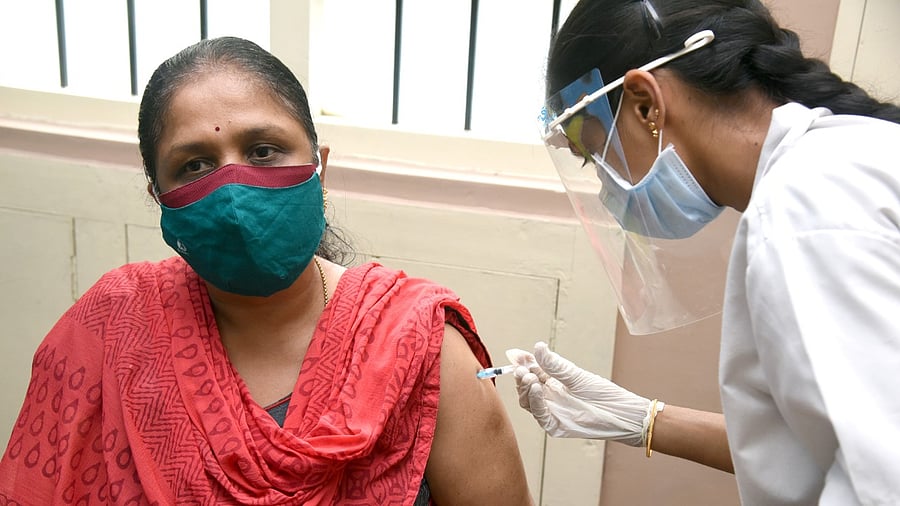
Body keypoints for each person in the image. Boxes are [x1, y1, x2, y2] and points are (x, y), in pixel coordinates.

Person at [0, 36, 534, 506]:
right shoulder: (112, 327)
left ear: (320, 166)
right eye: (194, 164)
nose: (234, 188)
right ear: (158, 196)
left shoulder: (418, 345)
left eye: (263, 150)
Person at [511, 0, 900, 504]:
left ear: (646, 105)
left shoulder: (804, 211)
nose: (607, 190)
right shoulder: (846, 159)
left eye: (596, 155)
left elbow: (883, 481)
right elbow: (819, 442)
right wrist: (643, 420)